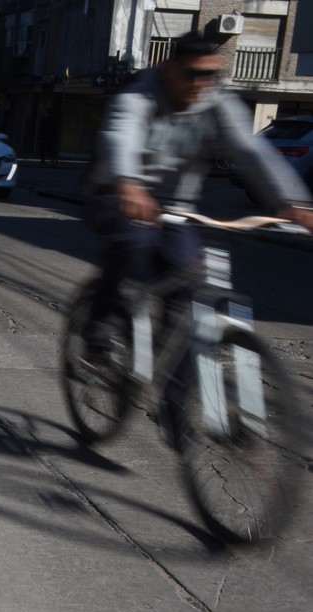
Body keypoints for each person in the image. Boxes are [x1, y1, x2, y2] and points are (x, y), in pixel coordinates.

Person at [82, 31, 313, 438]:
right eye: (192, 75)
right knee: (133, 243)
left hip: (178, 209)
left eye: (209, 77)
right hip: (118, 194)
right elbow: (122, 135)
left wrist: (294, 203)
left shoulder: (216, 103)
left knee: (188, 299)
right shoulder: (139, 96)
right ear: (170, 69)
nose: (200, 85)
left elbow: (252, 150)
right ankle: (99, 324)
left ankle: (174, 405)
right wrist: (129, 183)